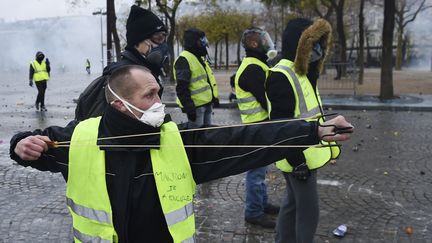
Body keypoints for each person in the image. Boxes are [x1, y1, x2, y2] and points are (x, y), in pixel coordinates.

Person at [10, 65, 353, 243]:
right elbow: (35, 146)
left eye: (159, 92)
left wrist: (311, 131)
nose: (160, 102)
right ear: (120, 104)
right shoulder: (79, 138)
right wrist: (21, 144)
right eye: (150, 95)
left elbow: (244, 139)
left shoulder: (178, 142)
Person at [266, 18, 338, 243]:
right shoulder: (282, 74)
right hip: (299, 156)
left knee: (291, 204)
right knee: (308, 211)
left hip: (304, 152)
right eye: (313, 43)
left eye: (320, 43)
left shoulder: (302, 70)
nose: (317, 48)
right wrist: (298, 162)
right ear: (301, 44)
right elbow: (281, 125)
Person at [74, 4, 168, 121]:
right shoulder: (119, 76)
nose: (162, 45)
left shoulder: (145, 71)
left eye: (164, 38)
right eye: (158, 38)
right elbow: (99, 127)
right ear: (138, 42)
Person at [234, 27, 279, 228]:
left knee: (261, 169)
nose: (267, 43)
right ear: (253, 44)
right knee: (256, 171)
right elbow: (267, 99)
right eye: (263, 39)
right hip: (257, 127)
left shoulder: (256, 64)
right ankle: (253, 211)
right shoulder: (253, 68)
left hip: (258, 126)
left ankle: (261, 203)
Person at [174, 28, 219, 128]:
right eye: (201, 40)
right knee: (196, 137)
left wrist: (213, 98)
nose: (203, 43)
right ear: (193, 42)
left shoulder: (198, 57)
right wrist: (189, 107)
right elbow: (182, 87)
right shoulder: (184, 59)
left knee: (207, 135)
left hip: (206, 104)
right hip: (196, 107)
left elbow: (207, 80)